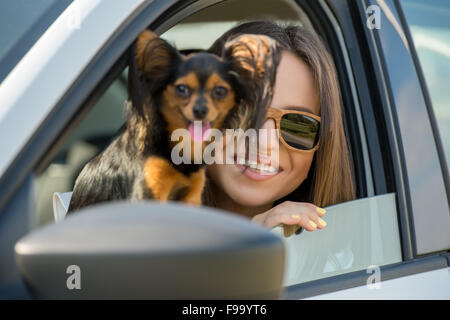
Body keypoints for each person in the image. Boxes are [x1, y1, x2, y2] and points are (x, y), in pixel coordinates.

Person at [204, 20, 356, 237]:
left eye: (298, 125)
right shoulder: (141, 223)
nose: (264, 143)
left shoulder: (337, 263)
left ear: (320, 147)